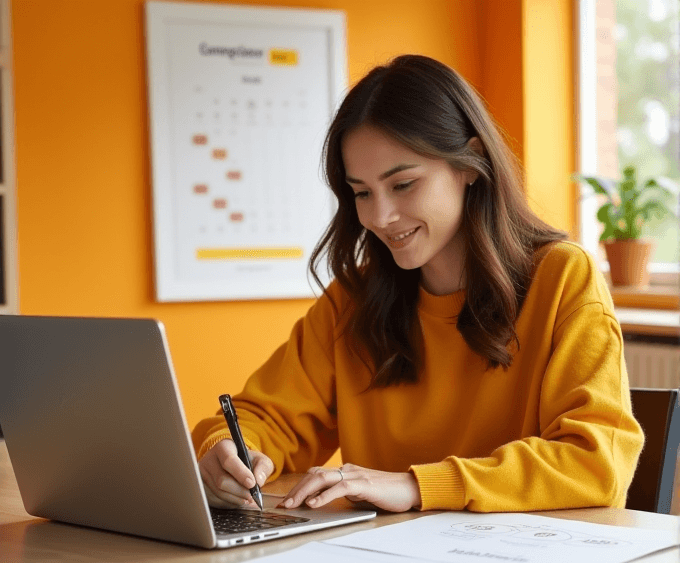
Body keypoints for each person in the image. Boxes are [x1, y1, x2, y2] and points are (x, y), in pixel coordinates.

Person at [192, 54, 644, 514]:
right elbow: (265, 417)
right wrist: (230, 449)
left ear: (471, 163)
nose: (378, 217)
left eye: (403, 184)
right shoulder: (353, 300)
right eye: (361, 192)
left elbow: (595, 462)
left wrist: (417, 486)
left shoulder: (563, 278)